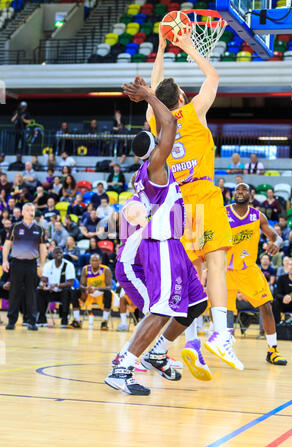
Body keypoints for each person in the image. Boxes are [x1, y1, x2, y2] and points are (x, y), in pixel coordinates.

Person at [105, 77, 211, 396]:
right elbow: (168, 124)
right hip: (161, 246)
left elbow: (166, 126)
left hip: (174, 246)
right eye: (160, 140)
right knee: (162, 309)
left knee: (195, 305)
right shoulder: (155, 167)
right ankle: (122, 367)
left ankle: (157, 352)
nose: (165, 139)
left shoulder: (148, 170)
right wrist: (151, 95)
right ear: (156, 149)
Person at [145, 26, 240, 368]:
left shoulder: (157, 120)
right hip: (202, 193)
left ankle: (193, 343)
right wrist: (189, 48)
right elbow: (213, 76)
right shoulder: (195, 110)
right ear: (183, 98)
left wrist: (159, 46)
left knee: (194, 276)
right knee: (215, 263)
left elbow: (154, 91)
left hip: (179, 205)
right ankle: (221, 334)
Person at [226, 183, 286, 365]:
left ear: (251, 197)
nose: (240, 192)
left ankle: (272, 350)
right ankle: (216, 344)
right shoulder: (222, 213)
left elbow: (277, 237)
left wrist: (277, 243)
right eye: (237, 190)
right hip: (225, 269)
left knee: (266, 305)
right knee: (216, 309)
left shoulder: (257, 216)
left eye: (244, 189)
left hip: (248, 268)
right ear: (233, 195)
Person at [2, 202, 47, 330]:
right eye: (28, 210)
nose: (31, 212)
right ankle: (11, 321)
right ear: (22, 213)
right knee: (15, 292)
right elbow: (7, 245)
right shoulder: (15, 227)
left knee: (31, 293)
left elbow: (43, 249)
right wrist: (5, 260)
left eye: (32, 210)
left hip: (32, 264)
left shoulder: (40, 229)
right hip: (16, 263)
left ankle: (32, 321)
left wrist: (42, 265)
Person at [37, 247, 75, 328]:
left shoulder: (69, 265)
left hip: (63, 292)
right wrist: (42, 285)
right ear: (53, 255)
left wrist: (57, 285)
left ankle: (64, 319)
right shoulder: (48, 265)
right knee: (40, 291)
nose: (59, 254)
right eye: (57, 253)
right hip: (52, 291)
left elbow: (70, 283)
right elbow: (43, 279)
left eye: (60, 253)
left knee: (67, 291)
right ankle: (42, 318)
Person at [78, 253, 113, 330]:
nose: (94, 262)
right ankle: (76, 320)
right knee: (76, 292)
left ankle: (104, 321)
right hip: (89, 293)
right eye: (92, 260)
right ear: (90, 261)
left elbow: (110, 286)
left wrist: (96, 288)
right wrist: (86, 288)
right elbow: (81, 285)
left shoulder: (106, 269)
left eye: (96, 260)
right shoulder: (85, 269)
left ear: (100, 261)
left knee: (108, 294)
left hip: (101, 293)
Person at [273, 257, 292, 335]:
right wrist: (283, 298)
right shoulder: (281, 278)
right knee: (275, 302)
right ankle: (277, 328)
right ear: (287, 267)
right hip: (283, 304)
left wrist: (291, 299)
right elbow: (276, 293)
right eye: (290, 264)